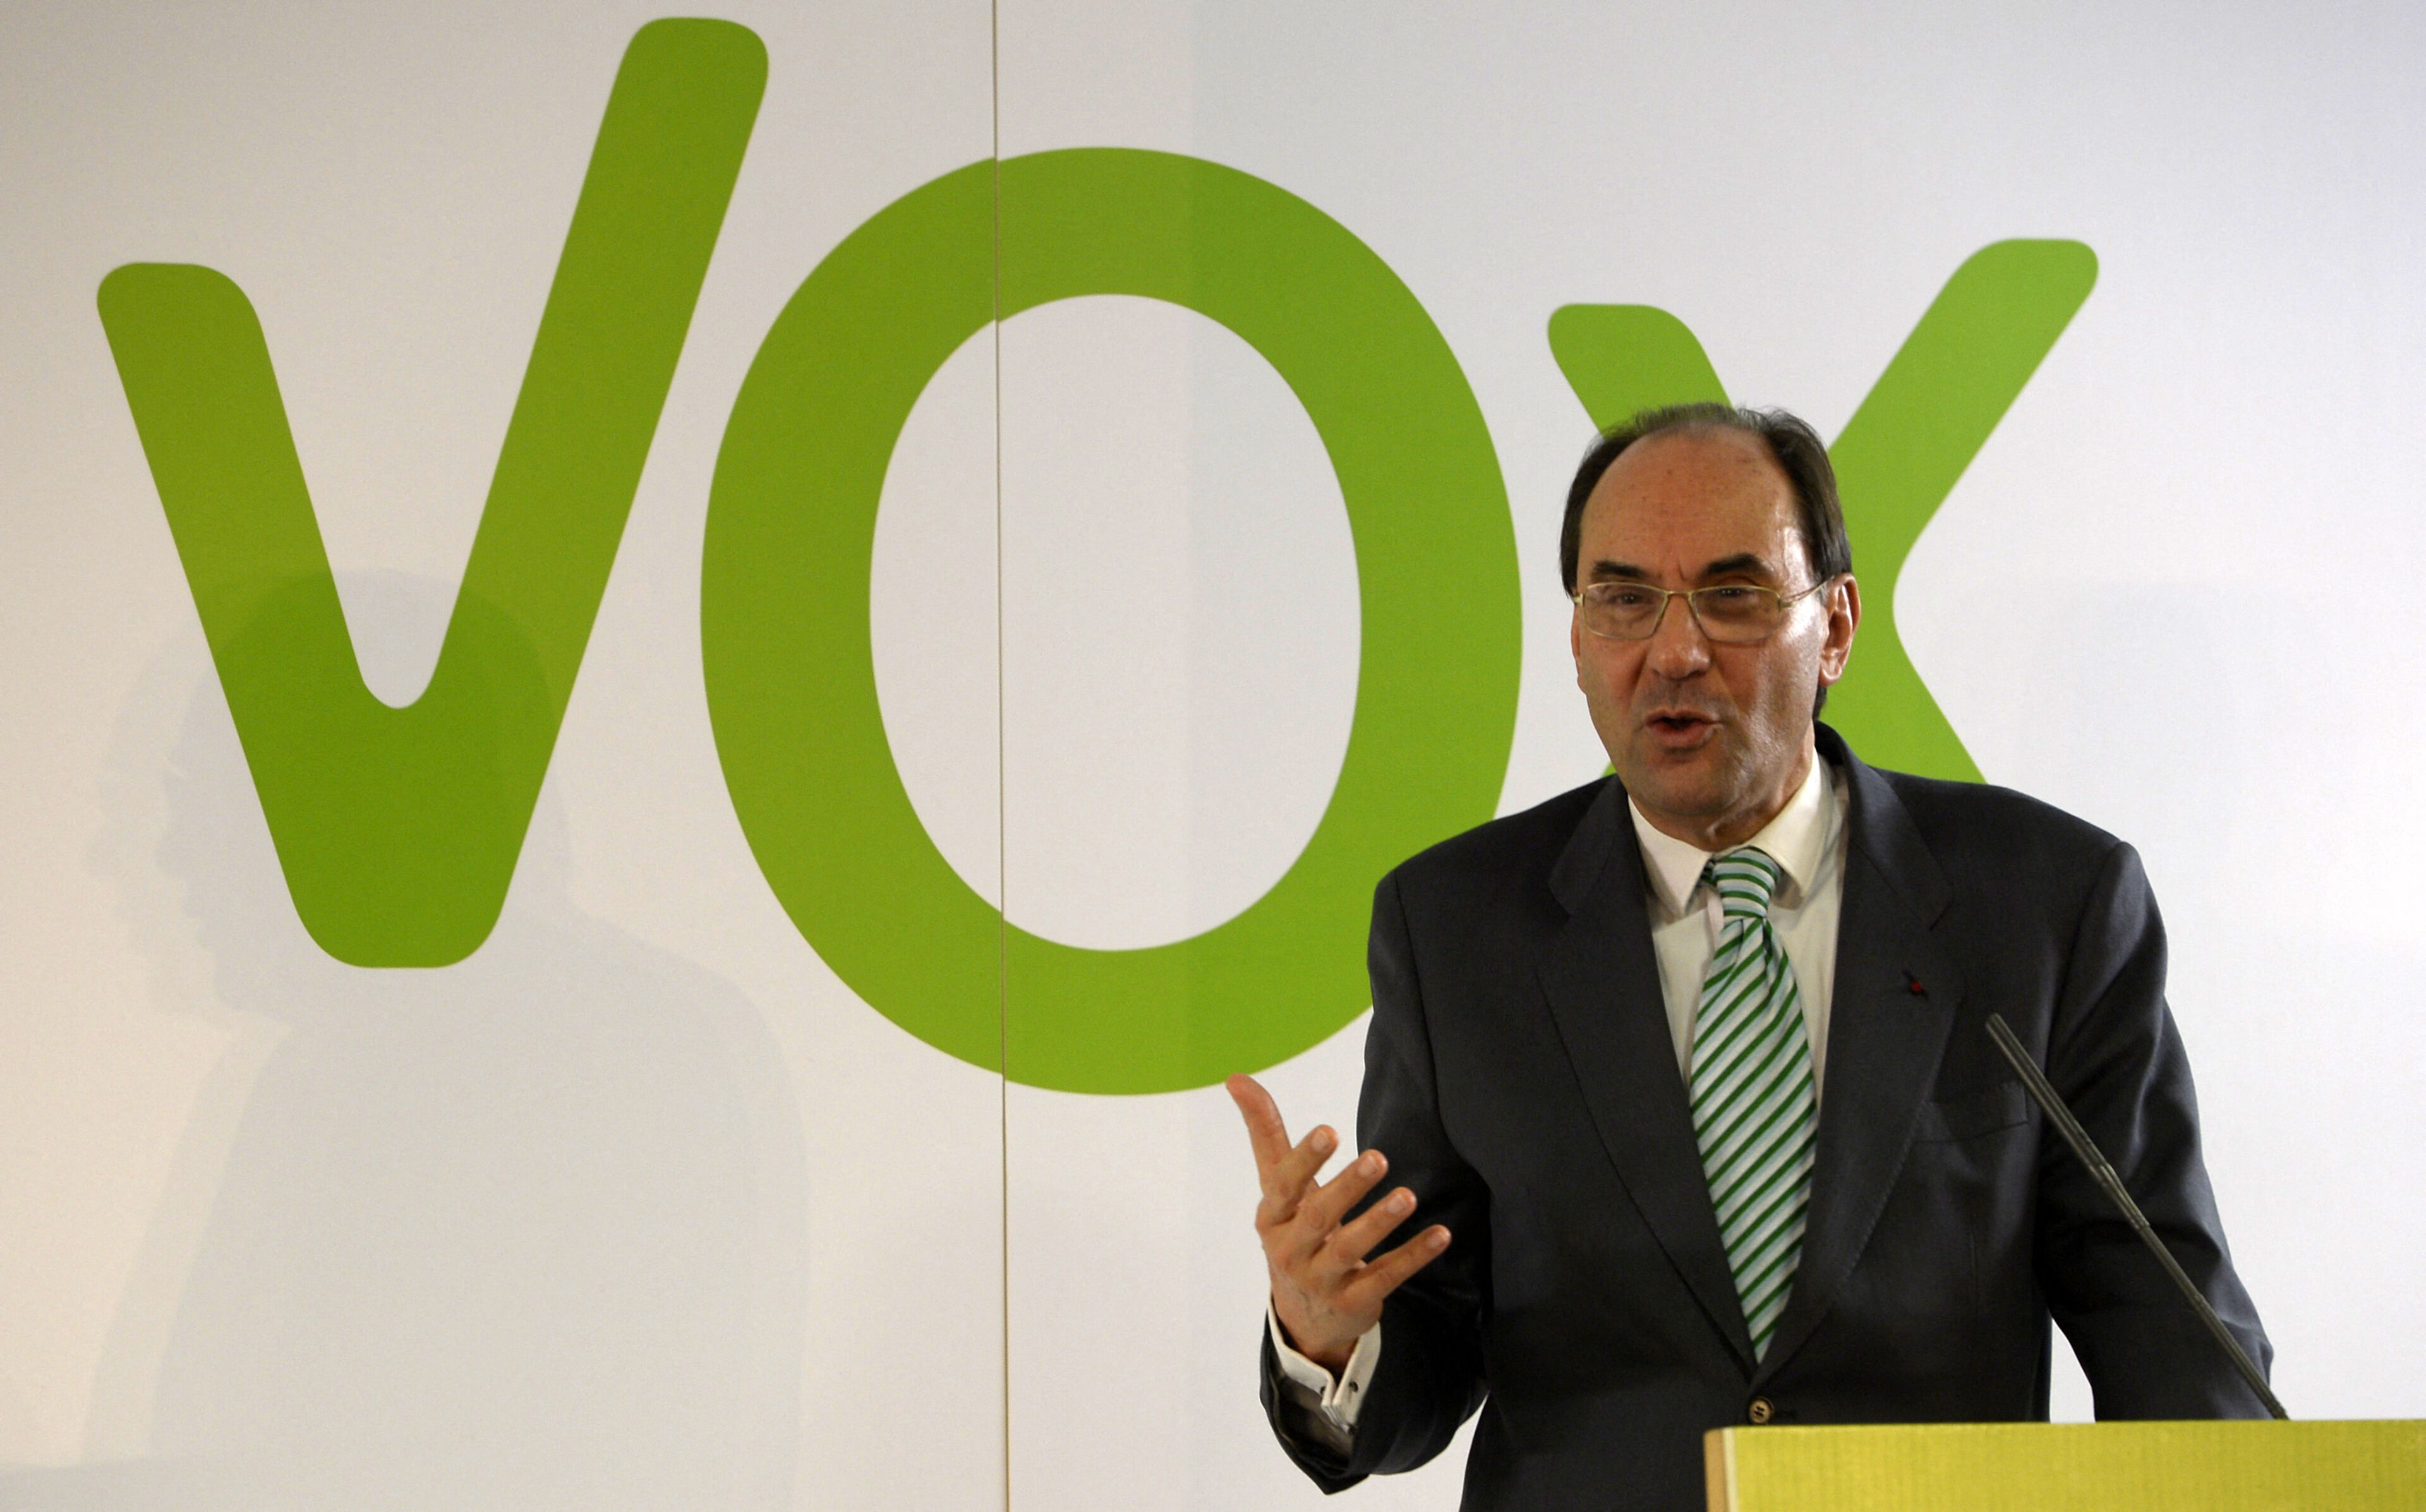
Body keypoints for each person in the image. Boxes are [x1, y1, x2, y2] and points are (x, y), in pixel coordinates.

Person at [1227, 405, 2272, 1511]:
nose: (1675, 652)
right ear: (1578, 638)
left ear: (1836, 626)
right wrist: (1327, 1335)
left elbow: (2169, 1326)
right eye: (1624, 599)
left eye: (1732, 596)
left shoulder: (2044, 907)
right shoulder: (1456, 929)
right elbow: (1428, 1344)